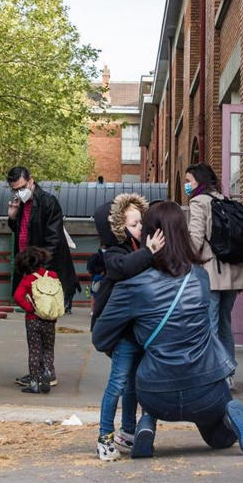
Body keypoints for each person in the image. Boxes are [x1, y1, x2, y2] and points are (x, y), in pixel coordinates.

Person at [92, 201, 243, 459]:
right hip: (207, 385)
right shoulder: (201, 277)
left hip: (156, 392)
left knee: (145, 379)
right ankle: (228, 415)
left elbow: (100, 337)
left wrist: (134, 333)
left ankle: (147, 422)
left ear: (150, 235)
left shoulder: (132, 284)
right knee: (219, 439)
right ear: (184, 234)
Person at [87, 194, 166, 461]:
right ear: (119, 229)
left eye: (141, 222)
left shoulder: (136, 248)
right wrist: (149, 251)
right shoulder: (114, 253)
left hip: (136, 330)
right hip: (121, 333)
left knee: (133, 383)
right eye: (134, 224)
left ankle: (128, 431)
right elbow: (124, 267)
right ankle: (105, 437)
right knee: (118, 383)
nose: (140, 228)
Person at [7, 166, 77, 387]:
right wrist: (12, 217)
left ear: (31, 181)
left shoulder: (47, 202)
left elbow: (53, 241)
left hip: (40, 272)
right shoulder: (21, 204)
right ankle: (39, 371)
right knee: (35, 326)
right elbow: (21, 232)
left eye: (21, 187)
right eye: (14, 189)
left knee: (41, 325)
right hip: (30, 269)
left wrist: (40, 273)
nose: (18, 192)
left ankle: (44, 372)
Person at [185, 163, 243, 385]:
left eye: (189, 181)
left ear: (199, 181)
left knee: (209, 325)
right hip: (233, 273)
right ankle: (229, 374)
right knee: (224, 325)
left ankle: (215, 374)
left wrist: (183, 261)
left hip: (211, 274)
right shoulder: (226, 201)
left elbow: (195, 239)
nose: (186, 185)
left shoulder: (198, 202)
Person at [12, 246, 59, 395]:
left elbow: (18, 296)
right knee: (48, 349)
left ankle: (34, 382)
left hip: (33, 320)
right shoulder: (52, 275)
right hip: (50, 319)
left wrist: (30, 309)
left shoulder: (28, 279)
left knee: (34, 351)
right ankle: (47, 374)